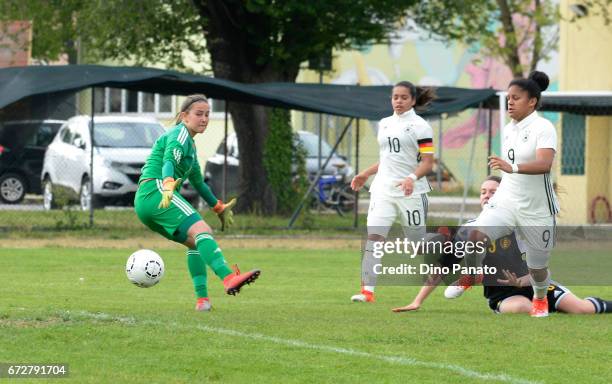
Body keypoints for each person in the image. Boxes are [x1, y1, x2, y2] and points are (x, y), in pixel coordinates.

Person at [392, 176, 612, 315]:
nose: (487, 196)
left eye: (494, 192)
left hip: (534, 285)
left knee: (582, 309)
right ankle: (472, 276)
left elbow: (542, 269)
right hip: (503, 294)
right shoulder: (470, 231)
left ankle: (545, 303)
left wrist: (523, 280)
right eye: (483, 192)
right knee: (520, 308)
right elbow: (442, 267)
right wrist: (417, 301)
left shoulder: (525, 229)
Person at [134, 94, 260, 312]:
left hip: (145, 202)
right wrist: (167, 183)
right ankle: (228, 277)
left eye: (208, 114)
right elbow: (169, 162)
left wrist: (218, 207)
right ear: (184, 116)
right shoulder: (179, 134)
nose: (204, 119)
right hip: (157, 191)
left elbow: (199, 183)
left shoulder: (189, 147)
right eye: (199, 114)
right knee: (203, 231)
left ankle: (202, 301)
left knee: (195, 243)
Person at [460, 71, 561, 317]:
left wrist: (511, 167)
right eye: (509, 98)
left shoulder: (543, 127)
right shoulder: (508, 129)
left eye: (516, 98)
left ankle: (539, 298)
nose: (510, 102)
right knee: (477, 234)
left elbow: (544, 164)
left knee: (537, 268)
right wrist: (509, 173)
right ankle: (472, 273)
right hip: (507, 200)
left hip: (537, 208)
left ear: (532, 101)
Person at [350, 81, 436, 302]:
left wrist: (411, 178)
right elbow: (387, 160)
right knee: (375, 238)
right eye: (395, 97)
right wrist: (365, 174)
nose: (398, 101)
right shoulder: (385, 123)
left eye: (403, 97)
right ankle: (367, 291)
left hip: (411, 193)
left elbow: (428, 163)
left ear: (413, 100)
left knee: (417, 244)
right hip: (383, 190)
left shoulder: (421, 126)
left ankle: (448, 250)